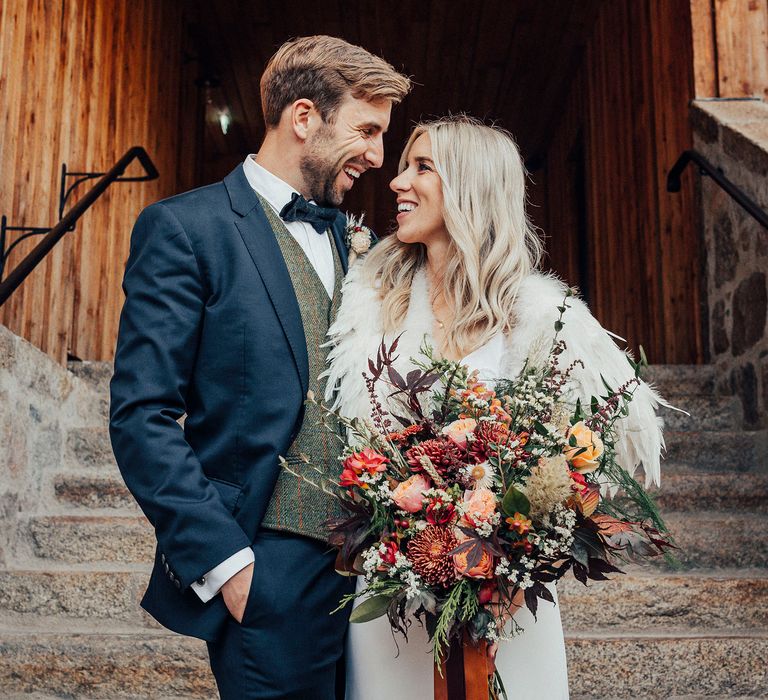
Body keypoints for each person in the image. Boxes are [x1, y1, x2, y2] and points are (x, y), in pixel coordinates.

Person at [324, 115, 667, 699]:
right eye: (405, 166)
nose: (397, 182)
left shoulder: (537, 315)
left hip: (511, 601)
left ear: (469, 186)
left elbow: (610, 443)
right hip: (393, 594)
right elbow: (358, 441)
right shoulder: (369, 303)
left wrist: (535, 532)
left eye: (421, 167)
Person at [109, 35, 410, 700]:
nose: (378, 157)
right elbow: (141, 414)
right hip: (268, 569)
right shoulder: (185, 229)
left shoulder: (352, 240)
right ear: (304, 118)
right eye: (366, 130)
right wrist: (227, 564)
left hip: (377, 573)